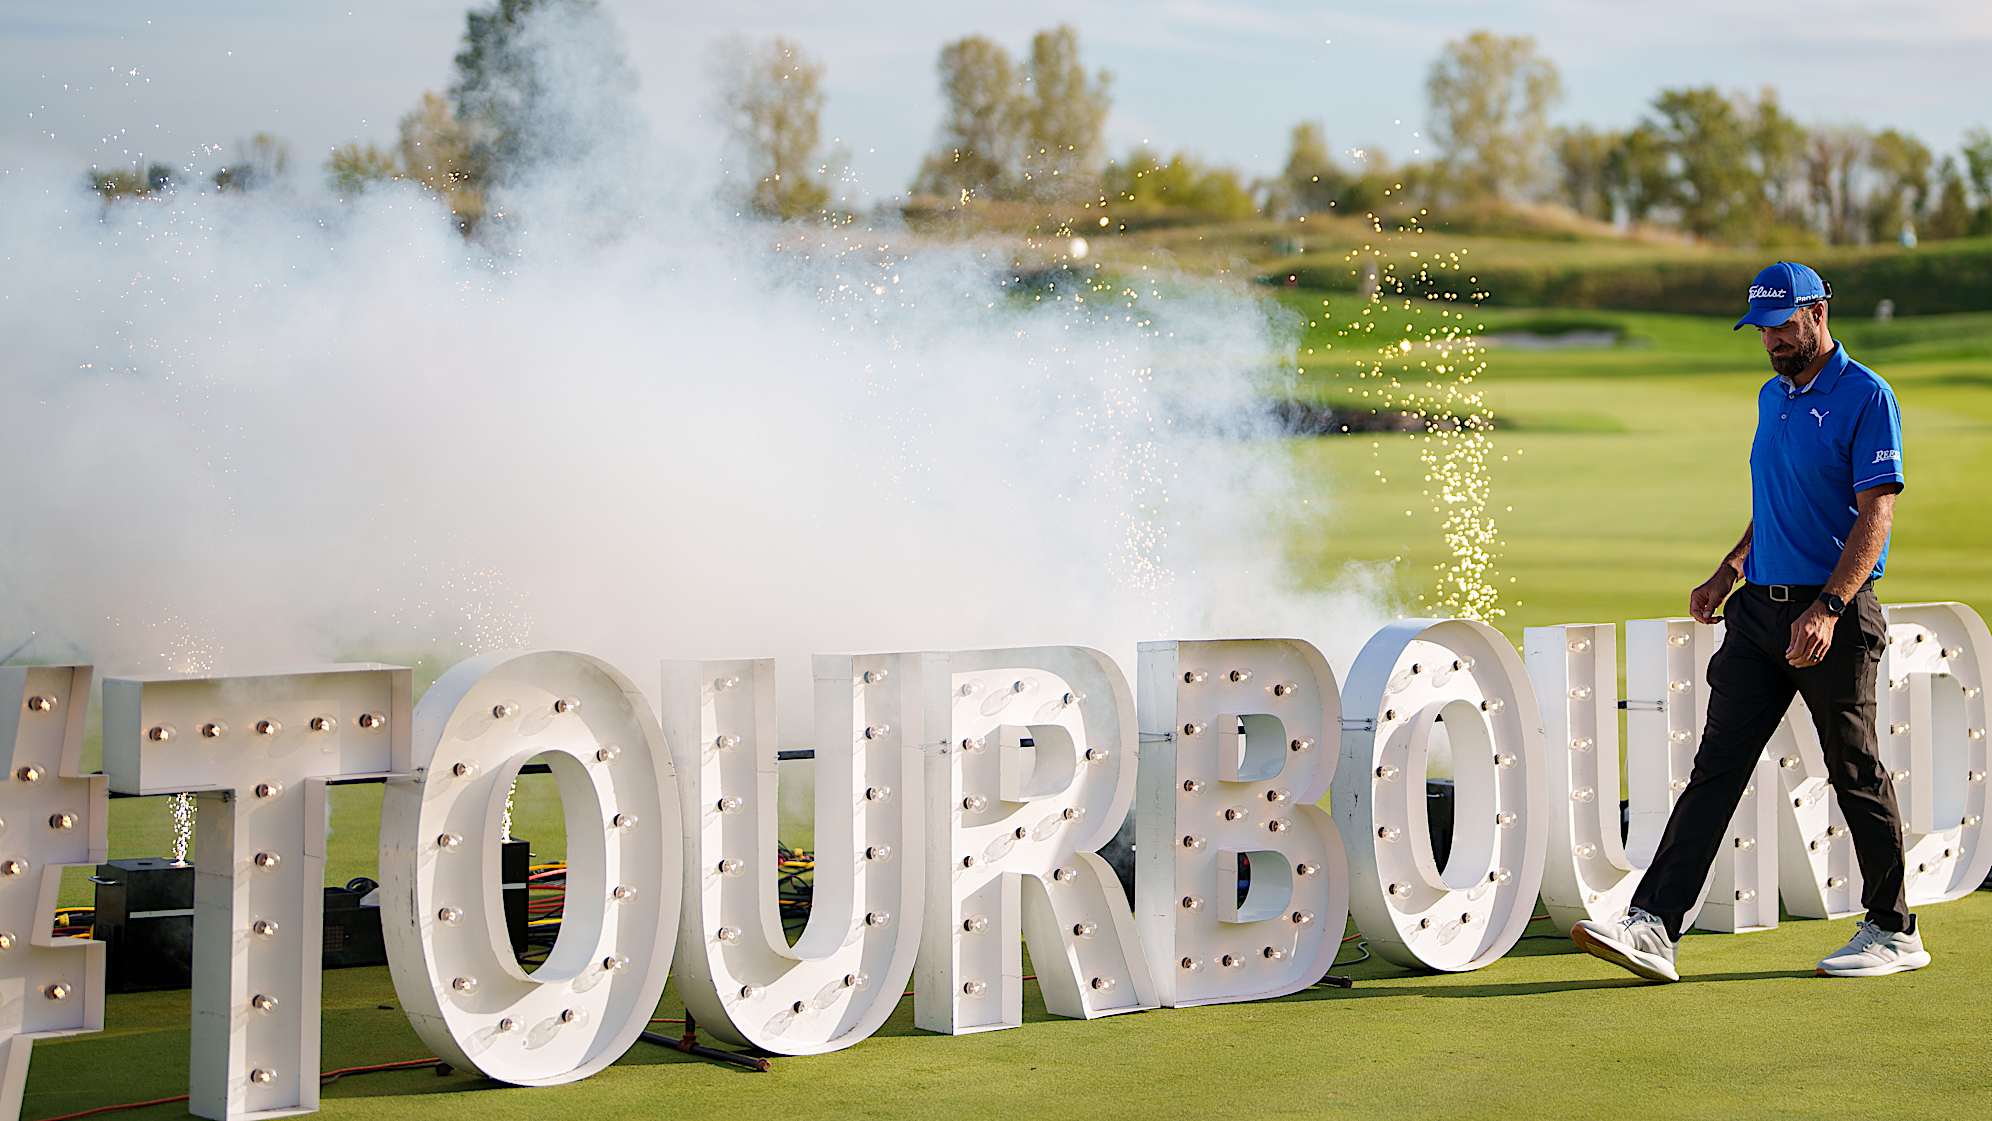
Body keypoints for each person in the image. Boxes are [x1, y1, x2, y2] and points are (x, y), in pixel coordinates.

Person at [1570, 261, 1928, 981]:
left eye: (1783, 326)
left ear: (1819, 313)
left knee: (1853, 769)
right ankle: (1653, 926)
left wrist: (1827, 607)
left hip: (1834, 615)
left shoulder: (1866, 395)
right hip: (1757, 614)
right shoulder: (1773, 396)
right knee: (1716, 769)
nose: (1771, 342)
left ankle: (1894, 928)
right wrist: (1730, 566)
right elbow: (1777, 501)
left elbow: (1876, 514)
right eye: (1762, 330)